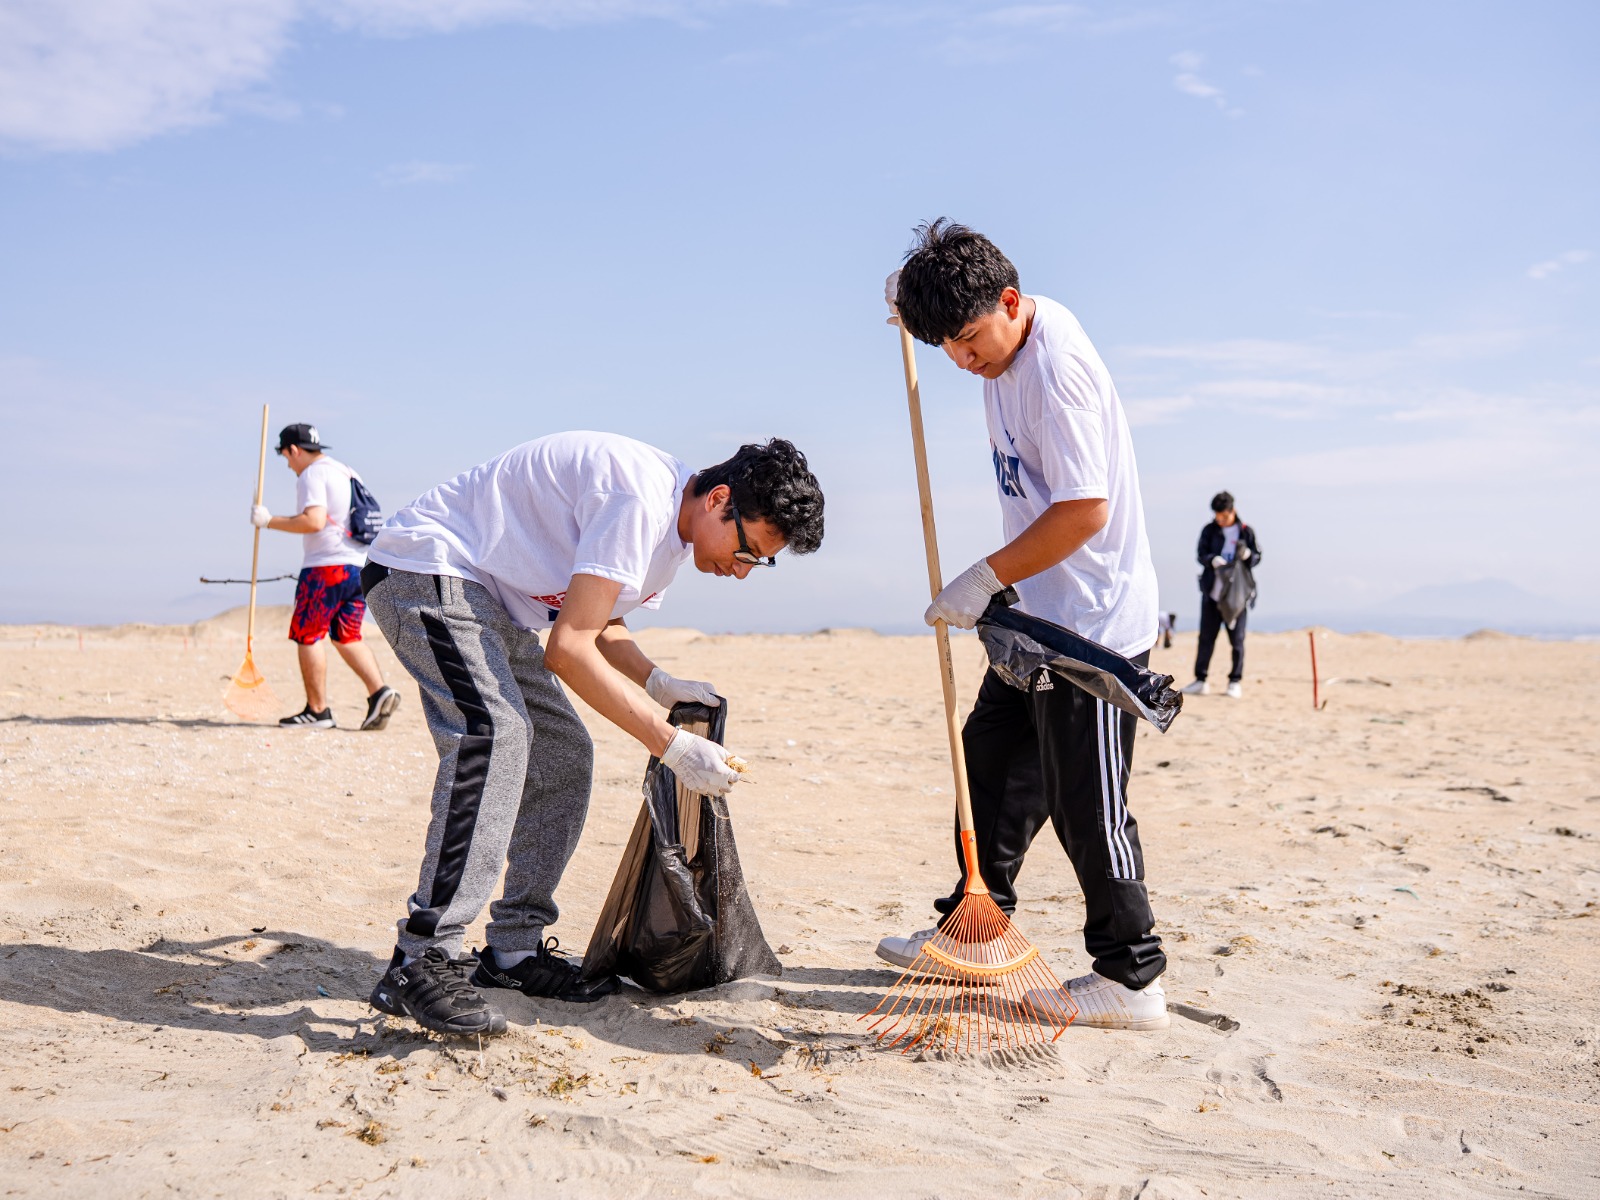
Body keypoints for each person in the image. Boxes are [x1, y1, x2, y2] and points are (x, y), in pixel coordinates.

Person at [359, 432, 824, 1036]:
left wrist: (657, 682)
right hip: (426, 569)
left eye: (757, 563)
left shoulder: (670, 538)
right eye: (748, 551)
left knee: (564, 752)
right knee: (494, 735)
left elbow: (599, 619)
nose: (741, 572)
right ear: (719, 499)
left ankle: (512, 953)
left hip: (488, 600)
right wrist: (672, 745)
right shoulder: (639, 500)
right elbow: (568, 650)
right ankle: (420, 957)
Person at [876, 220, 1168, 1031]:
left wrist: (983, 578)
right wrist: (908, 297)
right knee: (992, 763)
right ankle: (977, 927)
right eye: (945, 348)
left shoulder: (1056, 373)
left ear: (1010, 302)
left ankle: (1132, 977)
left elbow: (1083, 510)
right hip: (1035, 611)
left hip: (1089, 625)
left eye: (970, 340)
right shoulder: (993, 332)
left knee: (1087, 803)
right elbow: (929, 297)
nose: (962, 360)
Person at [250, 423, 401, 731]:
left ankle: (317, 711)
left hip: (326, 567)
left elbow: (314, 521)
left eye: (285, 456)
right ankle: (379, 692)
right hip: (358, 567)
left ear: (294, 450)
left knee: (307, 635)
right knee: (347, 635)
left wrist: (268, 521)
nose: (288, 465)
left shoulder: (312, 474)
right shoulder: (345, 471)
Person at [1180, 491, 1262, 700]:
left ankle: (1235, 681)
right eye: (1217, 516)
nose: (1220, 520)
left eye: (1224, 516)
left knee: (1237, 640)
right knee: (1206, 638)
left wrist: (1248, 556)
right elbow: (1200, 554)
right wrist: (1212, 560)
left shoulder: (1246, 532)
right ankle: (1201, 680)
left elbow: (1257, 556)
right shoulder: (1209, 530)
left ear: (1232, 511)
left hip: (1237, 596)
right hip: (1212, 593)